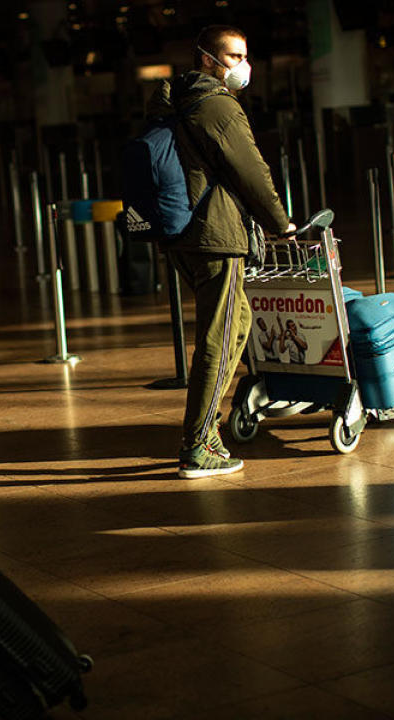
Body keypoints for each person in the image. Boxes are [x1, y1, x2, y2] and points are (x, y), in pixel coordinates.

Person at [148, 25, 293, 479]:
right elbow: (250, 169)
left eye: (246, 56)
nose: (242, 65)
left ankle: (206, 427)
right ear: (207, 59)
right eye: (233, 56)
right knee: (219, 334)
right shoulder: (216, 105)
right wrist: (281, 223)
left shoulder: (175, 100)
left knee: (238, 323)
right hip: (215, 235)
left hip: (184, 233)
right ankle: (197, 444)